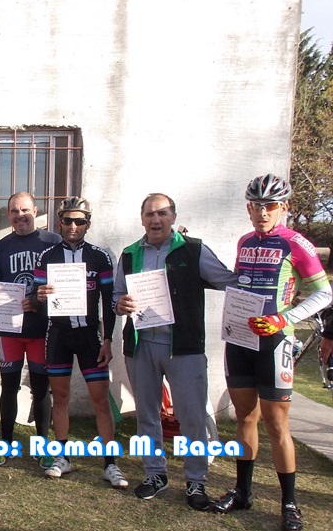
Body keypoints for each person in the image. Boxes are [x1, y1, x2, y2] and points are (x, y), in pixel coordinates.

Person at [212, 174, 332, 531]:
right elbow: (239, 284)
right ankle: (242, 491)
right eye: (255, 205)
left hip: (276, 342)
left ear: (284, 207)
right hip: (240, 340)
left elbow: (324, 293)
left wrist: (285, 318)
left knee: (278, 424)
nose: (262, 212)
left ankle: (290, 503)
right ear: (248, 208)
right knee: (245, 418)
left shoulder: (297, 243)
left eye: (270, 206)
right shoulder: (245, 241)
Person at [113, 193, 238, 510]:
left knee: (192, 418)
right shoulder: (129, 254)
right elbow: (117, 297)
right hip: (141, 347)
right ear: (141, 219)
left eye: (162, 213)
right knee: (146, 417)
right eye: (150, 214)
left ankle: (196, 481)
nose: (156, 220)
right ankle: (155, 474)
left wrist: (262, 281)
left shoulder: (193, 249)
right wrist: (121, 304)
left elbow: (227, 280)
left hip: (183, 349)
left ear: (173, 216)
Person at [32, 197, 127, 488]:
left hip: (89, 336)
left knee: (100, 400)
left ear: (88, 223)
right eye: (68, 220)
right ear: (59, 221)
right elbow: (36, 301)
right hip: (58, 334)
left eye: (80, 221)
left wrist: (109, 339)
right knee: (59, 398)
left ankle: (110, 465)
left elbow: (110, 301)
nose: (73, 226)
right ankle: (63, 457)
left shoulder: (100, 257)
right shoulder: (46, 256)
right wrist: (40, 296)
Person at [0, 192, 59, 467]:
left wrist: (38, 301)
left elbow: (61, 287)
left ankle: (42, 445)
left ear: (35, 211)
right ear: (8, 214)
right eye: (14, 211)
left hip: (41, 330)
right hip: (9, 330)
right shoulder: (1, 247)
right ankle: (7, 441)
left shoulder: (53, 242)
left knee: (41, 387)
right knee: (8, 385)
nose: (20, 215)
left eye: (25, 210)